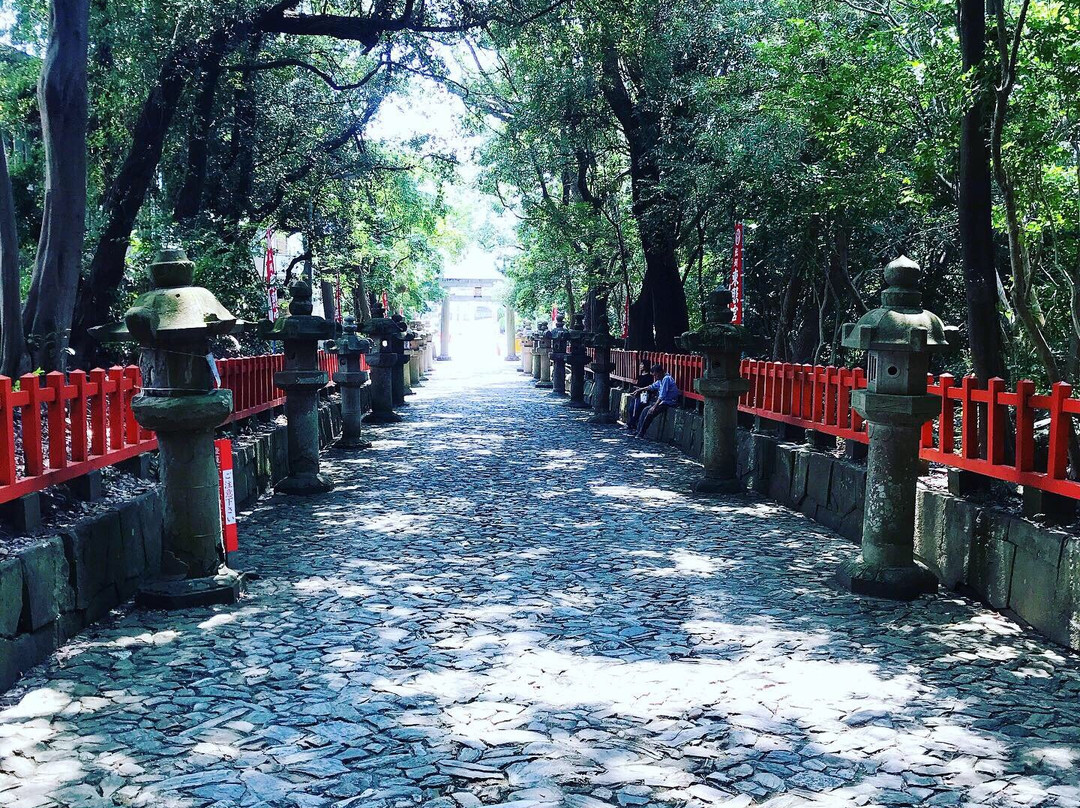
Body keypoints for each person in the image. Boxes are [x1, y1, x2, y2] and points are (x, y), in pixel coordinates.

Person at [631, 364, 679, 438]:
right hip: (663, 401)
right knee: (644, 410)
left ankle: (641, 433)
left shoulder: (666, 379)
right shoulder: (660, 380)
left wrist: (654, 406)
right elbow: (652, 386)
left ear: (659, 373)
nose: (655, 377)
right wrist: (640, 389)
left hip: (669, 402)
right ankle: (639, 430)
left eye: (655, 375)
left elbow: (662, 395)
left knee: (650, 412)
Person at [625, 359, 655, 431]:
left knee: (638, 408)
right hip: (637, 393)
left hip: (644, 394)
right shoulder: (640, 376)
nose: (641, 366)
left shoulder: (650, 377)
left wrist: (640, 389)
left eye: (642, 364)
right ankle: (631, 423)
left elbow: (649, 387)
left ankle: (631, 423)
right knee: (631, 409)